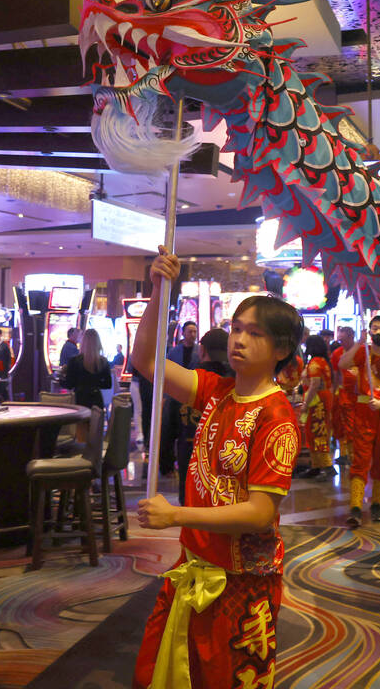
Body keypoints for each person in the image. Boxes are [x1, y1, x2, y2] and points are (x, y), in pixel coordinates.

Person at [131, 246, 301, 689]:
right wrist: (157, 292)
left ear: (281, 349)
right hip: (195, 564)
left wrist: (176, 514)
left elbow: (259, 513)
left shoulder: (276, 417)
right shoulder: (216, 390)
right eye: (235, 328)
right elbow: (146, 362)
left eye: (255, 334)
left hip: (242, 579)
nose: (238, 340)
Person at [337, 315, 380, 527]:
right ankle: (355, 506)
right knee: (361, 458)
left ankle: (377, 504)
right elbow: (342, 363)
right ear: (369, 331)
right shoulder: (364, 352)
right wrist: (359, 343)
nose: (379, 332)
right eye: (375, 328)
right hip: (365, 410)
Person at [174, 328, 233, 503]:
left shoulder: (189, 379)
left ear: (202, 350)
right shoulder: (239, 382)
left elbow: (170, 418)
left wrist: (165, 458)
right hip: (227, 451)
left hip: (189, 447)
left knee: (190, 500)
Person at [160, 321, 202, 475]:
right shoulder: (174, 352)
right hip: (173, 397)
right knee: (168, 433)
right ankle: (167, 466)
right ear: (183, 333)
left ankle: (190, 464)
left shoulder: (199, 352)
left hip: (192, 397)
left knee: (189, 434)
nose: (193, 334)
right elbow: (167, 375)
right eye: (190, 331)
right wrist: (164, 397)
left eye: (195, 331)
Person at [298, 334, 334, 481]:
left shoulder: (314, 363)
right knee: (318, 431)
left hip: (317, 401)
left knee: (317, 432)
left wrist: (306, 404)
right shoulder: (324, 361)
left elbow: (314, 385)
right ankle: (316, 465)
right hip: (323, 398)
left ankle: (325, 466)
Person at [61, 328, 113, 411]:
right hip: (96, 400)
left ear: (83, 342)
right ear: (98, 343)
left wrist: (62, 377)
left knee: (80, 423)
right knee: (95, 423)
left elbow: (69, 384)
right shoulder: (103, 361)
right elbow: (108, 385)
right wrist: (94, 382)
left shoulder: (74, 361)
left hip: (79, 400)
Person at [329, 326, 358, 468]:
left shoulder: (361, 351)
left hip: (358, 396)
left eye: (344, 340)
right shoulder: (337, 354)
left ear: (352, 336)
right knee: (340, 424)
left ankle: (355, 454)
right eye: (339, 340)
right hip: (342, 394)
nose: (342, 343)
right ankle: (344, 453)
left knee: (355, 426)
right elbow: (335, 376)